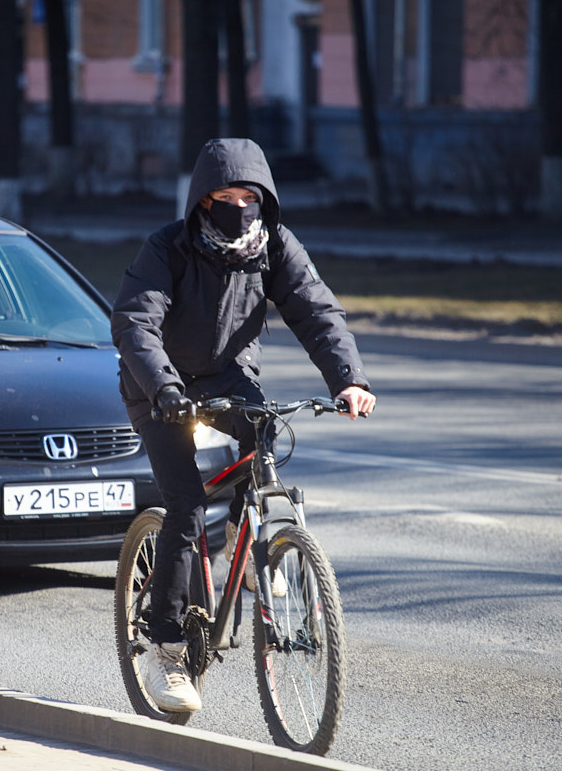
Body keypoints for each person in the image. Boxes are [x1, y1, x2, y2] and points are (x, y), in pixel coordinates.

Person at [110, 137, 377, 714]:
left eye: (248, 196)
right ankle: (166, 647)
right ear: (203, 202)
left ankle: (245, 543)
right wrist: (165, 389)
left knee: (265, 434)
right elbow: (135, 324)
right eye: (225, 196)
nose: (239, 207)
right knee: (184, 506)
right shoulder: (169, 249)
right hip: (159, 385)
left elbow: (315, 309)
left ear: (265, 200)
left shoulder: (273, 246)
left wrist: (348, 379)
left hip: (228, 377)